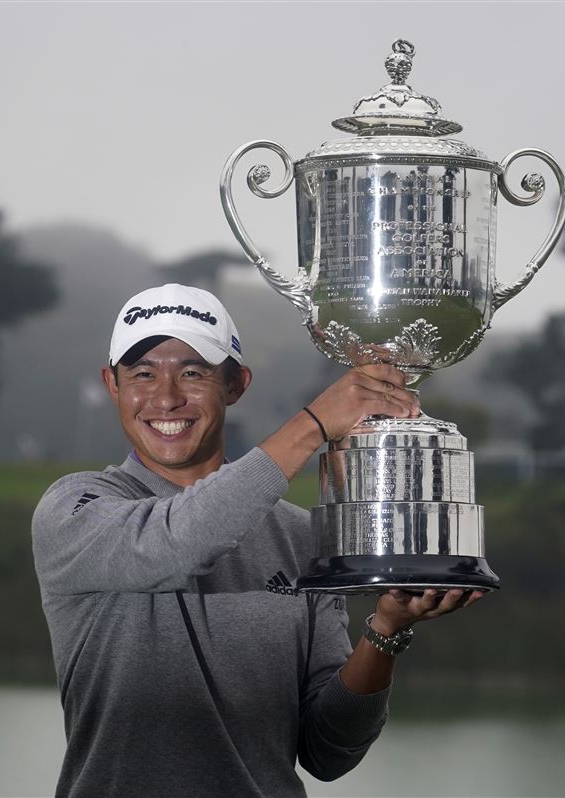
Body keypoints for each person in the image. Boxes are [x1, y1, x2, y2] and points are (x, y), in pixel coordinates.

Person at [32, 283, 483, 797]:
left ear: (236, 384)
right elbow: (177, 543)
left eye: (193, 373)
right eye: (142, 374)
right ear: (112, 385)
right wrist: (312, 425)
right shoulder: (74, 509)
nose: (166, 397)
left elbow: (327, 751)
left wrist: (386, 628)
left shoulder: (302, 536)